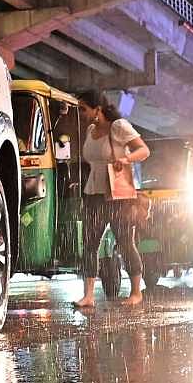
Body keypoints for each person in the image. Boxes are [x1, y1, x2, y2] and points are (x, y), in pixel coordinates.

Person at [71, 94, 151, 309]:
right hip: (93, 193)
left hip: (117, 195)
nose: (82, 113)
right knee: (89, 244)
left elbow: (144, 150)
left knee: (125, 242)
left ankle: (136, 292)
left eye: (84, 108)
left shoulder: (119, 126)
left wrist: (125, 159)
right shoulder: (90, 131)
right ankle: (88, 295)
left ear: (97, 109)